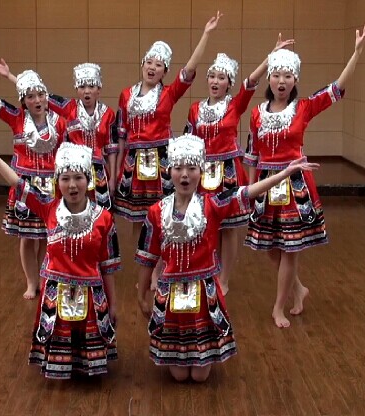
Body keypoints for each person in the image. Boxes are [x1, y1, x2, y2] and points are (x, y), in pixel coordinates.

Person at [136, 134, 319, 382]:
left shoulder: (212, 205)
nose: (185, 175)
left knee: (199, 376)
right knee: (178, 376)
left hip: (204, 295)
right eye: (178, 168)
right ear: (169, 171)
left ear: (201, 172)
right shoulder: (156, 212)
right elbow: (147, 257)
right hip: (171, 297)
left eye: (192, 168)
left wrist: (284, 173)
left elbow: (248, 192)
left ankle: (201, 352)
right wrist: (141, 295)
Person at [243, 22, 365, 328]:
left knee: (290, 249)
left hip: (295, 186)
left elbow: (336, 89)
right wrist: (251, 190)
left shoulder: (303, 108)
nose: (281, 81)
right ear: (269, 78)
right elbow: (252, 154)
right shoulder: (256, 113)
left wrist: (357, 52)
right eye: (276, 75)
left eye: (287, 76)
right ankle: (299, 288)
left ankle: (279, 306)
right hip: (266, 186)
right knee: (272, 249)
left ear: (295, 80)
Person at [0, 132, 121, 379]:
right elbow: (17, 183)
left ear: (88, 180)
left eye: (78, 178)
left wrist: (114, 304)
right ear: (58, 181)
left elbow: (108, 266)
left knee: (87, 369)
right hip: (56, 295)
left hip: (92, 296)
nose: (72, 185)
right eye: (65, 178)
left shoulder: (104, 218)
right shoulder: (48, 208)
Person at [185, 34, 294, 295]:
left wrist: (271, 56)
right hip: (204, 173)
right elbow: (190, 140)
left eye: (222, 78)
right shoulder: (195, 109)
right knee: (207, 224)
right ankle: (209, 271)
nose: (215, 81)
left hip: (229, 172)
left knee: (228, 228)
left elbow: (251, 82)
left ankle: (224, 278)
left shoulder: (235, 105)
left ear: (229, 83)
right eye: (212, 76)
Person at [0, 49, 66, 300]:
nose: (37, 100)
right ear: (24, 100)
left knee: (46, 236)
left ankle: (43, 277)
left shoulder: (59, 121)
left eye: (40, 94)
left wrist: (11, 76)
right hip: (23, 184)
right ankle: (31, 281)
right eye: (30, 96)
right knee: (27, 238)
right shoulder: (17, 118)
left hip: (51, 185)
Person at [114, 12, 221, 227]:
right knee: (138, 220)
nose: (152, 67)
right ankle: (142, 251)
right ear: (142, 64)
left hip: (162, 161)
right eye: (149, 62)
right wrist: (118, 170)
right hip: (133, 162)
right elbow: (121, 135)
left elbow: (189, 69)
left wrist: (206, 34)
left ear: (164, 72)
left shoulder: (168, 94)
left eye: (158, 65)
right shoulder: (126, 95)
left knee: (163, 216)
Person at [0, 60, 118, 210]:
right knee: (73, 210)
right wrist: (10, 76)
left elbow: (111, 148)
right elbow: (39, 94)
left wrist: (113, 177)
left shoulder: (108, 113)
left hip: (99, 172)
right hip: (73, 170)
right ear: (76, 88)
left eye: (91, 86)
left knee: (100, 212)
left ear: (99, 89)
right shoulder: (69, 107)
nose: (87, 91)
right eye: (82, 87)